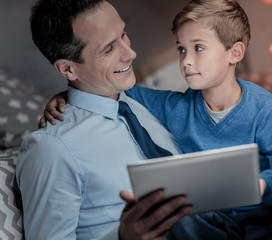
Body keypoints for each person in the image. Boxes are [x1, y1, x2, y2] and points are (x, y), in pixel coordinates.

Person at [40, 0, 272, 239]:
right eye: (181, 49)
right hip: (218, 223)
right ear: (67, 68)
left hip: (269, 215)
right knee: (182, 223)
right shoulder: (173, 107)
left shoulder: (266, 109)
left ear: (234, 52)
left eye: (198, 48)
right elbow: (113, 89)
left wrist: (259, 184)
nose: (186, 61)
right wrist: (68, 94)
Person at [16, 0, 193, 239]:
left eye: (123, 34)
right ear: (68, 69)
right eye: (108, 49)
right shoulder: (51, 149)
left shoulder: (142, 104)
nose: (131, 53)